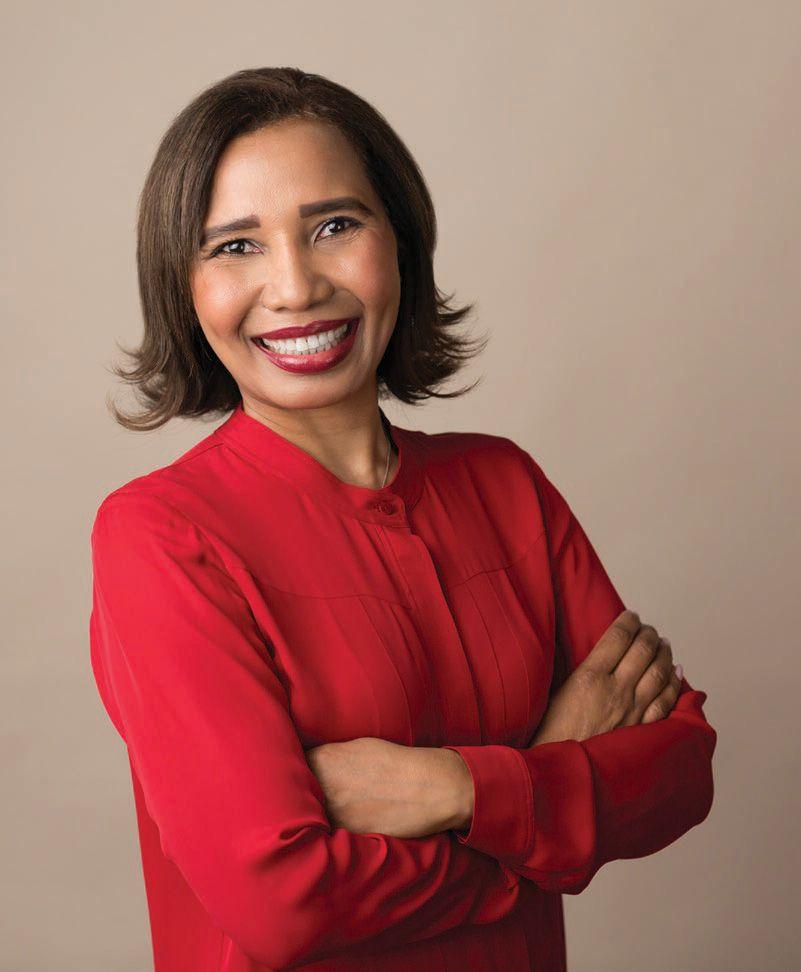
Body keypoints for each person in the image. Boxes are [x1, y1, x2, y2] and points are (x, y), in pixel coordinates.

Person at [88, 66, 717, 972]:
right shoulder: (160, 536)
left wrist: (450, 787)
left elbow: (681, 770)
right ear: (182, 287)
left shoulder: (504, 483)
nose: (294, 287)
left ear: (402, 243)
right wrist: (537, 802)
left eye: (334, 226)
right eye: (235, 246)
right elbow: (284, 907)